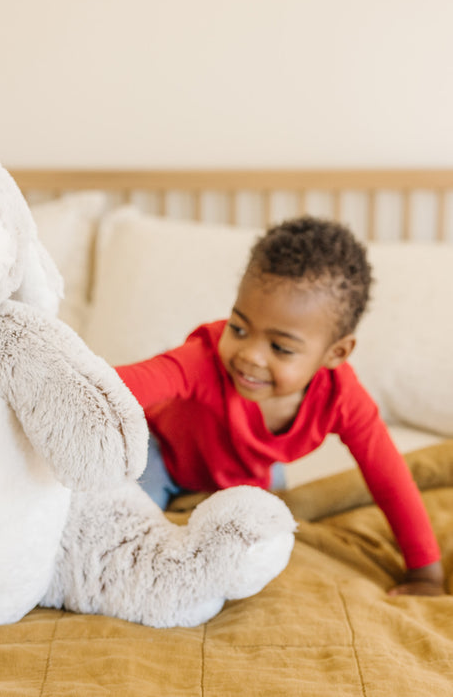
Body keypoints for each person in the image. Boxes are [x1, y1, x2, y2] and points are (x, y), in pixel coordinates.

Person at [116, 216, 445, 597]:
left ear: (336, 352)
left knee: (267, 534)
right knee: (133, 528)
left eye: (280, 348)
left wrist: (426, 574)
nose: (249, 356)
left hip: (251, 472)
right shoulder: (204, 359)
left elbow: (390, 478)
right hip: (163, 455)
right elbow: (116, 386)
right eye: (239, 328)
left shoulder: (342, 399)